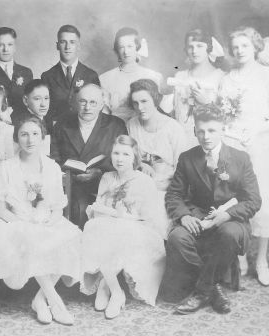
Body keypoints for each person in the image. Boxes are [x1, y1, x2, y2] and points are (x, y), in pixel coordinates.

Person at [163, 104, 261, 314]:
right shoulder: (187, 158)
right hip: (199, 217)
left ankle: (201, 291)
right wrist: (184, 216)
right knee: (177, 238)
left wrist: (226, 215)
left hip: (231, 221)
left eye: (212, 130)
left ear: (222, 129)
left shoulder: (240, 158)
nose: (206, 136)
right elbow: (174, 194)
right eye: (201, 131)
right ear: (195, 131)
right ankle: (213, 288)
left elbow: (253, 200)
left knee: (229, 233)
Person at [218, 26, 269, 286]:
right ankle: (240, 255)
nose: (239, 51)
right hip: (232, 142)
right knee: (234, 200)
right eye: (236, 47)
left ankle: (261, 259)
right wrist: (230, 133)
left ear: (255, 48)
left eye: (245, 46)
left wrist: (255, 129)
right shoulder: (227, 79)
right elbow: (222, 114)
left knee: (266, 202)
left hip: (261, 143)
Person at [0, 116, 81, 325]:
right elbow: (0, 209)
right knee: (31, 239)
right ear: (17, 139)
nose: (30, 139)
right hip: (15, 222)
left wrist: (49, 223)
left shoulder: (51, 167)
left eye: (35, 134)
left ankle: (40, 300)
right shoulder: (7, 167)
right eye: (24, 134)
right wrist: (21, 223)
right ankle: (55, 302)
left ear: (43, 138)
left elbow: (58, 208)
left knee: (72, 237)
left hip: (47, 220)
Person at [81, 135, 166, 319]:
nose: (119, 158)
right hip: (107, 224)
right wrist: (112, 214)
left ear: (135, 158)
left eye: (126, 154)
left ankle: (105, 284)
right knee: (95, 228)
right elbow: (98, 208)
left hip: (137, 228)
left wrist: (120, 215)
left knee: (120, 232)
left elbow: (147, 217)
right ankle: (115, 290)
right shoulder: (107, 177)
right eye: (116, 153)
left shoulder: (144, 180)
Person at [51, 84, 127, 228]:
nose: (87, 107)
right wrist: (69, 174)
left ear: (101, 104)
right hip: (72, 185)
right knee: (78, 213)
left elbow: (125, 160)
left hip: (108, 186)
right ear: (75, 103)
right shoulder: (62, 125)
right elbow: (54, 158)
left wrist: (100, 172)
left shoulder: (116, 125)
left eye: (93, 102)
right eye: (83, 101)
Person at [127, 79, 187, 238]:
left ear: (155, 99)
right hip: (138, 186)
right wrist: (139, 164)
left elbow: (183, 172)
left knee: (154, 218)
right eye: (135, 103)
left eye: (144, 101)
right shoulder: (132, 125)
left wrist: (160, 186)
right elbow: (129, 159)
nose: (140, 108)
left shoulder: (173, 128)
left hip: (166, 189)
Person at [169, 29, 225, 149]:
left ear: (209, 48)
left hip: (208, 140)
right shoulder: (180, 76)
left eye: (200, 46)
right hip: (181, 139)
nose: (194, 51)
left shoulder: (220, 77)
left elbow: (226, 118)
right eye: (190, 47)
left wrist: (207, 102)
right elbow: (174, 112)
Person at [100, 27, 163, 122]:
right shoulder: (105, 79)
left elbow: (156, 113)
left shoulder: (152, 76)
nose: (126, 52)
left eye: (130, 46)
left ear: (137, 47)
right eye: (121, 47)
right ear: (117, 50)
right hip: (116, 132)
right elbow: (104, 115)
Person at [41, 24, 100, 122]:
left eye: (72, 42)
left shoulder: (91, 75)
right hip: (57, 131)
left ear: (78, 46)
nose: (67, 47)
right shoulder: (47, 76)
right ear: (57, 46)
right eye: (63, 42)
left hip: (83, 129)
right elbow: (45, 110)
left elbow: (97, 107)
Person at [0, 27, 33, 123]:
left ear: (15, 47)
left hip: (23, 124)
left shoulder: (26, 72)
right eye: (0, 45)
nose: (5, 49)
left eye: (10, 44)